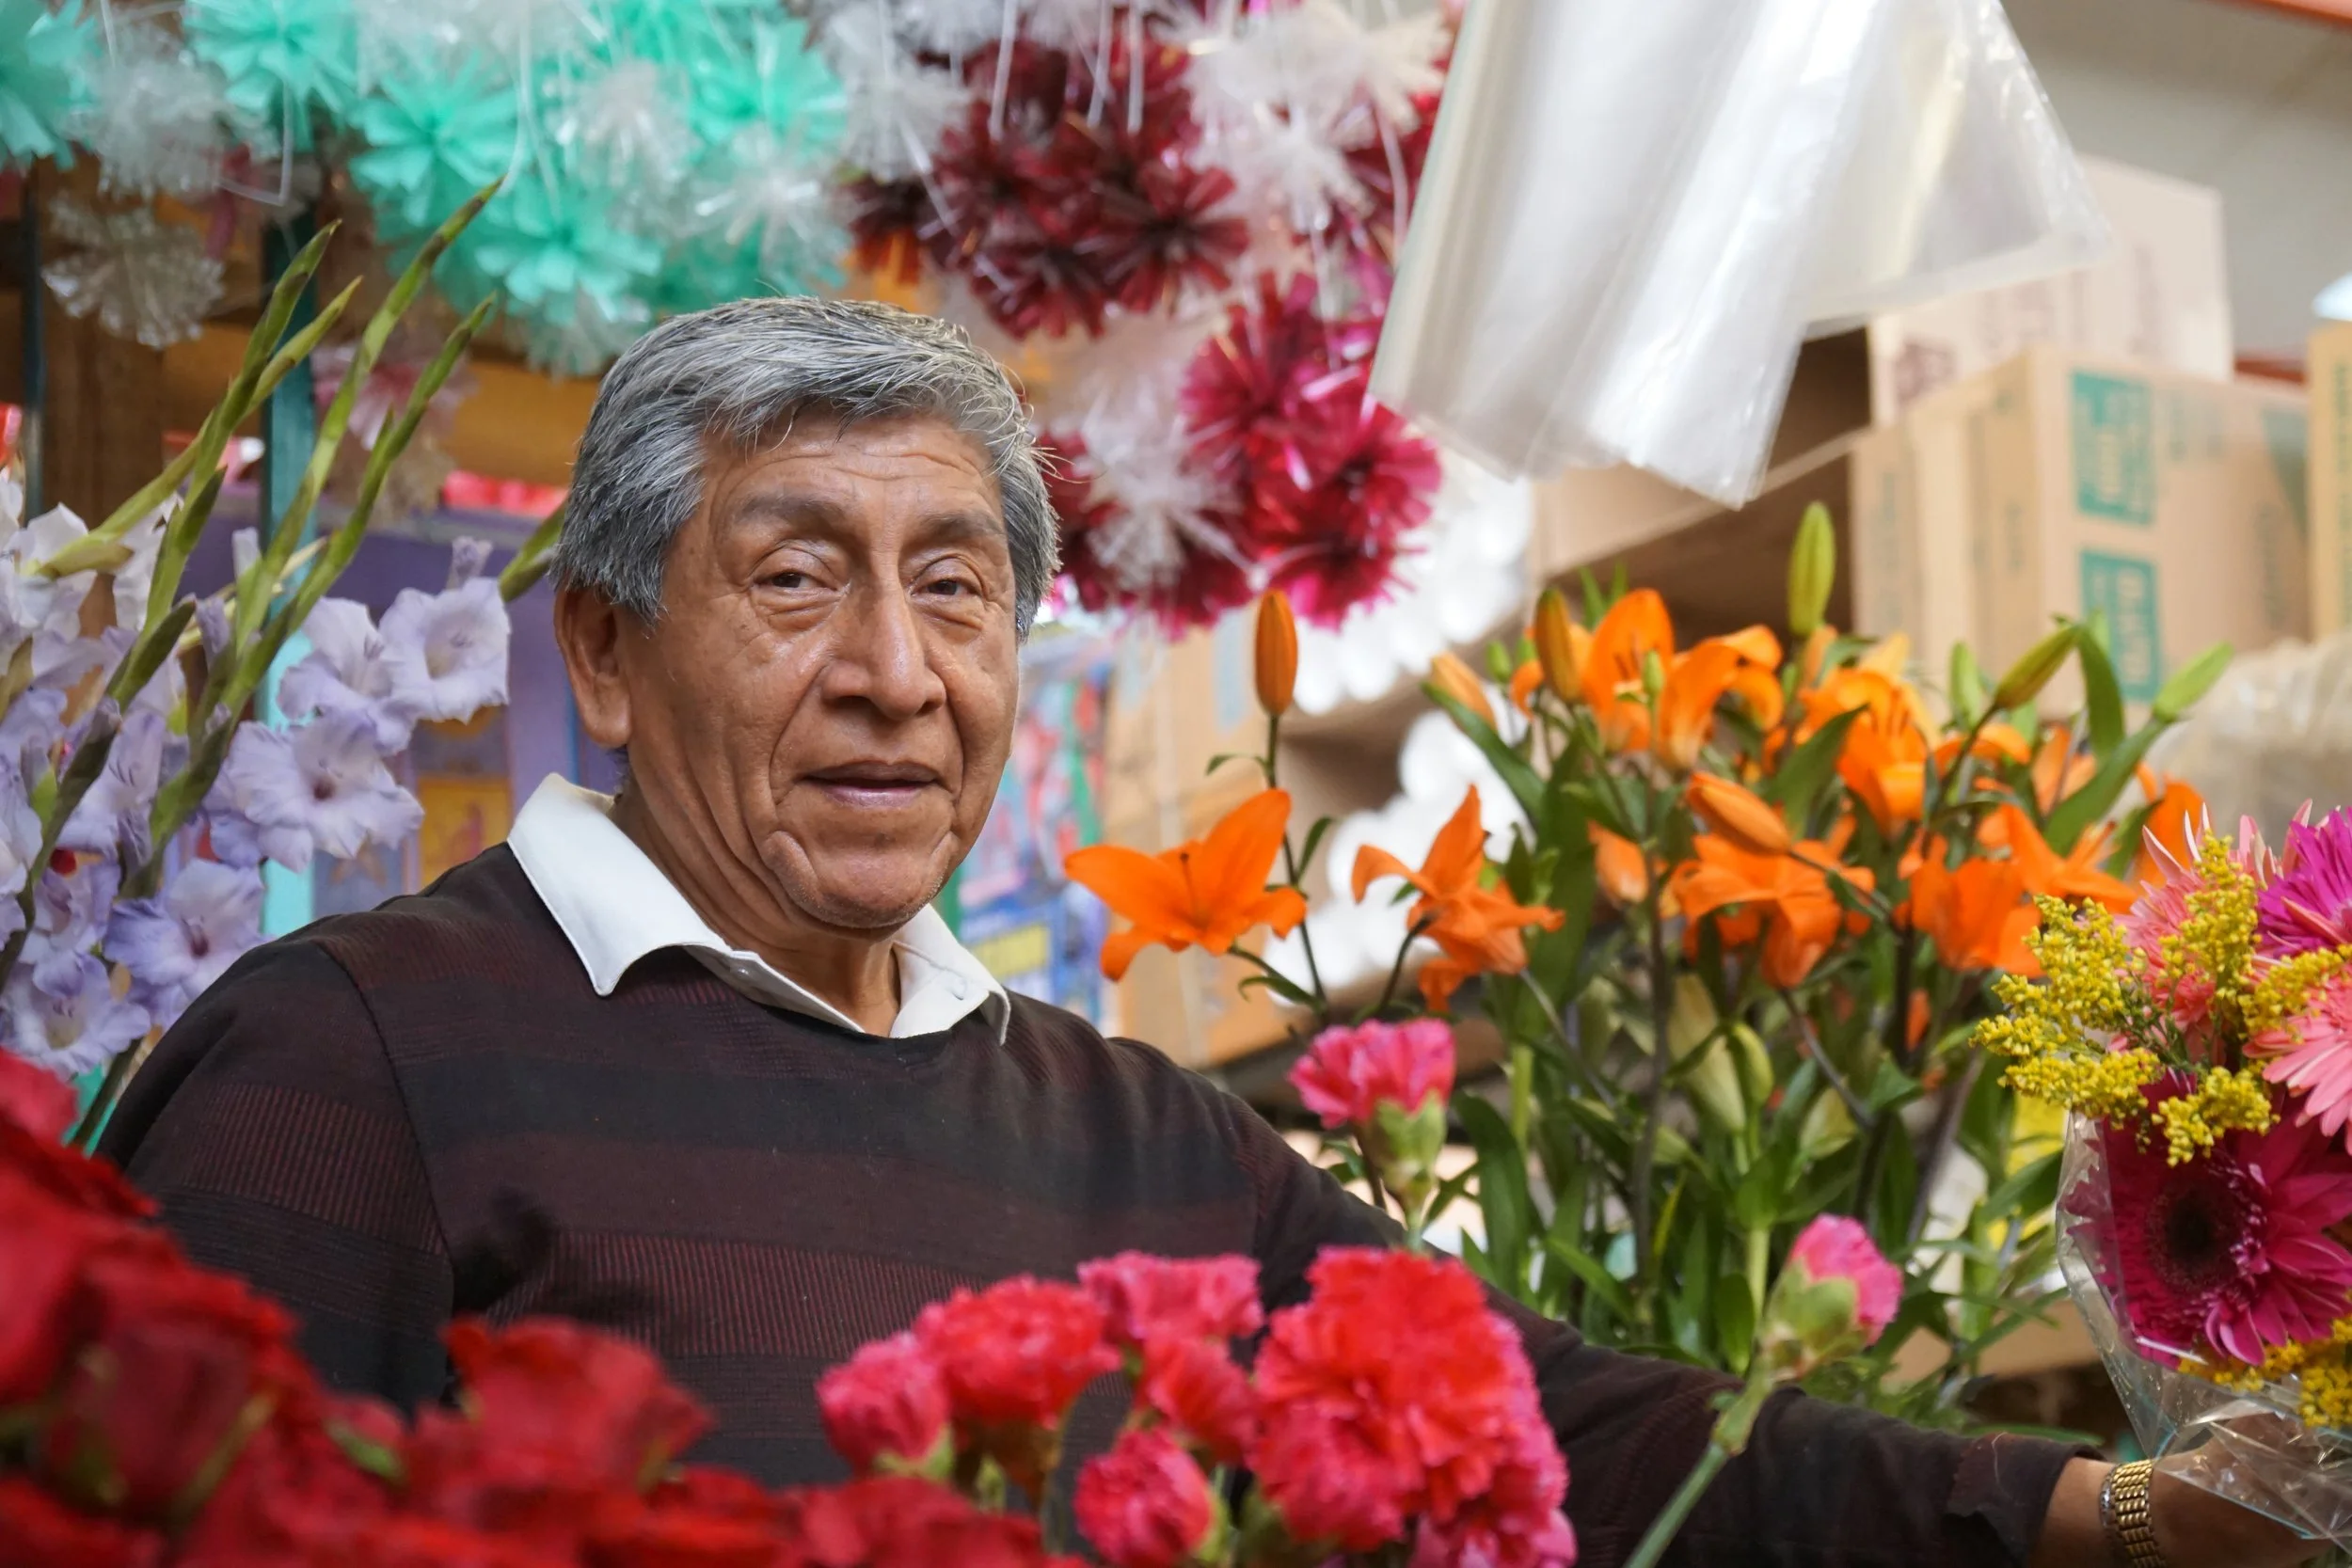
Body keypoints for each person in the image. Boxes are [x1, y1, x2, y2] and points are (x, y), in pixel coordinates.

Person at [100, 298, 2312, 1568]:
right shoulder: (348, 1058)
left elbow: (1571, 1426)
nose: (895, 668)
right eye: (794, 579)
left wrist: (2113, 1516)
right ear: (599, 645)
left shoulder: (1133, 1132)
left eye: (955, 585)